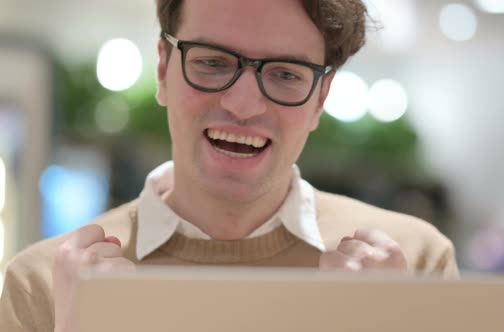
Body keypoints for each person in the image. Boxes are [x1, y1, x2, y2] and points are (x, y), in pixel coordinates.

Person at [0, 0, 459, 331]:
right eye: (213, 62)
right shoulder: (46, 284)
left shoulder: (413, 265)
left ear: (321, 97)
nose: (242, 104)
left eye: (284, 74)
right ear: (163, 70)